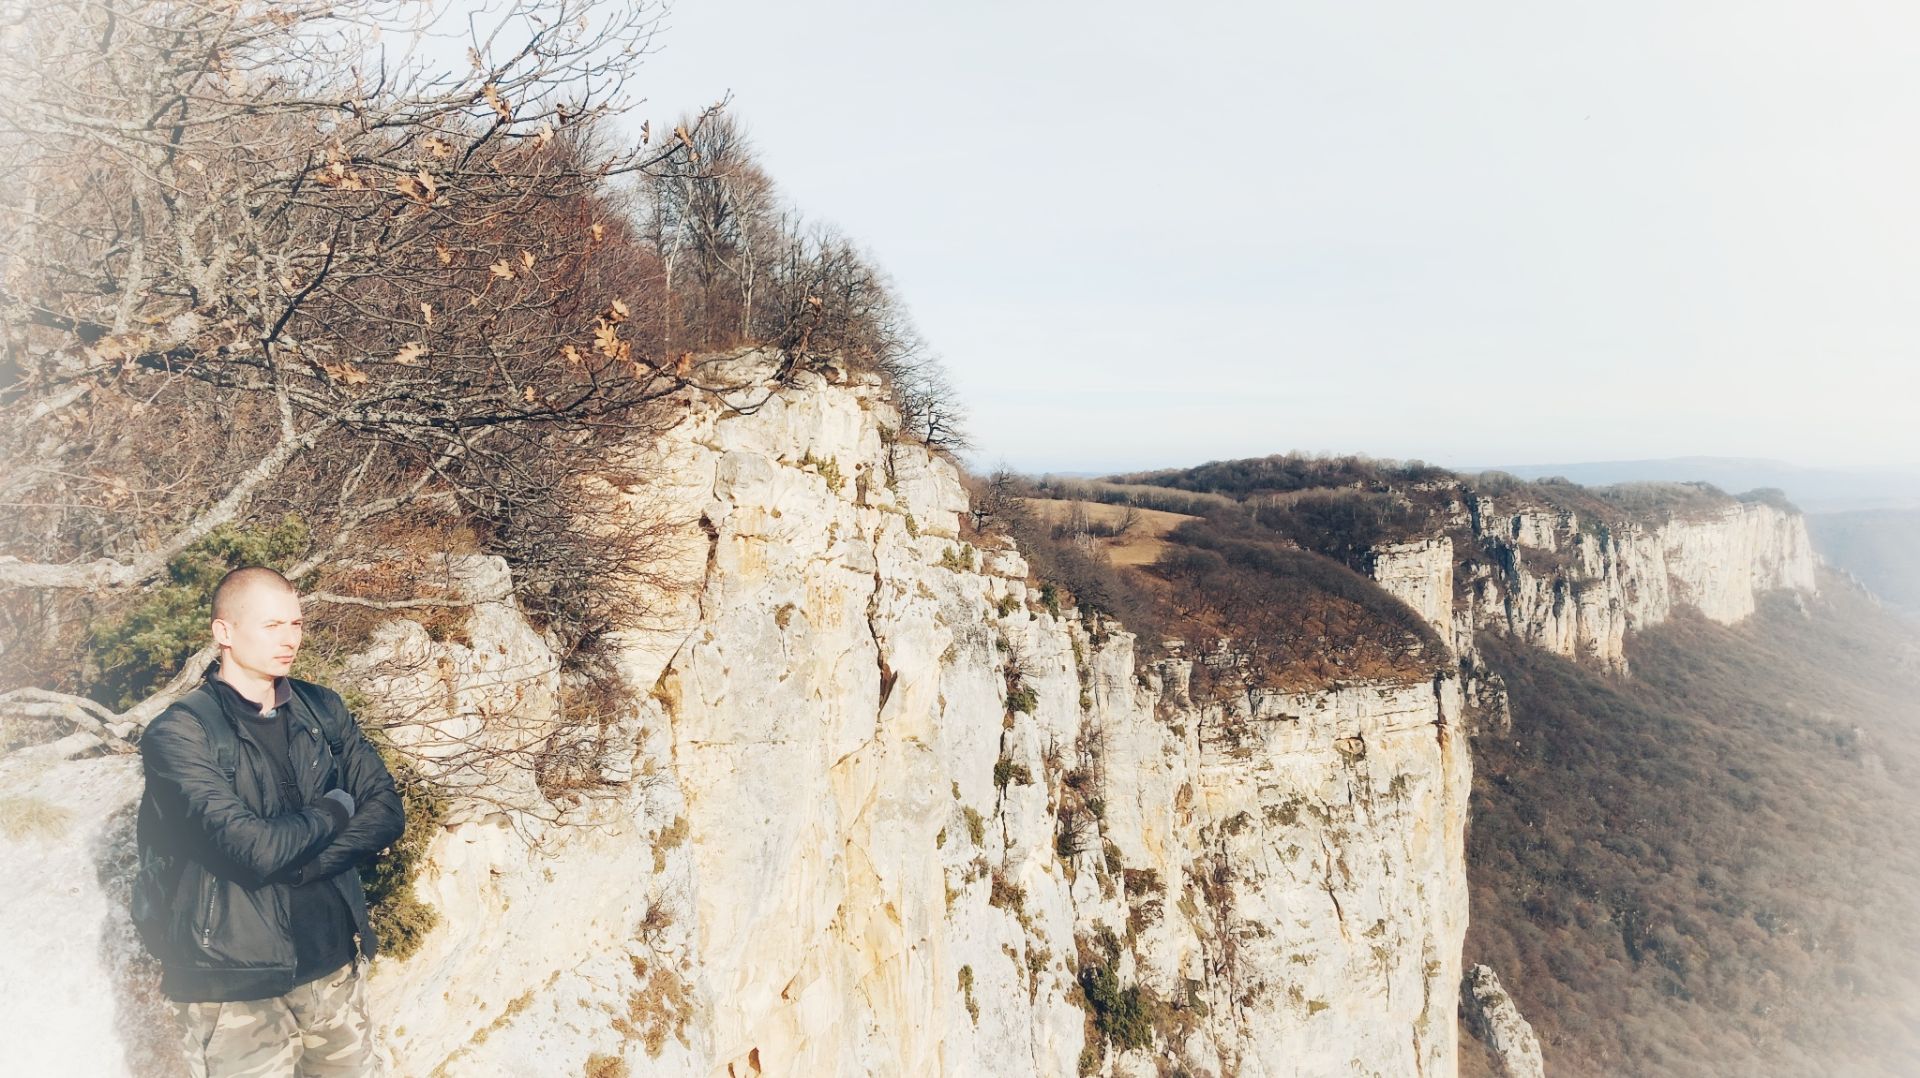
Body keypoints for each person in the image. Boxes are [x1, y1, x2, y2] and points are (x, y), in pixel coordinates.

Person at [136, 566, 406, 1077]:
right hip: (232, 988)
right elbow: (252, 849)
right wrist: (336, 807)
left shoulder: (321, 708)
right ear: (224, 631)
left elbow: (386, 811)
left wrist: (305, 866)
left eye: (296, 624)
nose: (290, 639)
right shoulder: (179, 734)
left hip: (332, 967)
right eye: (272, 625)